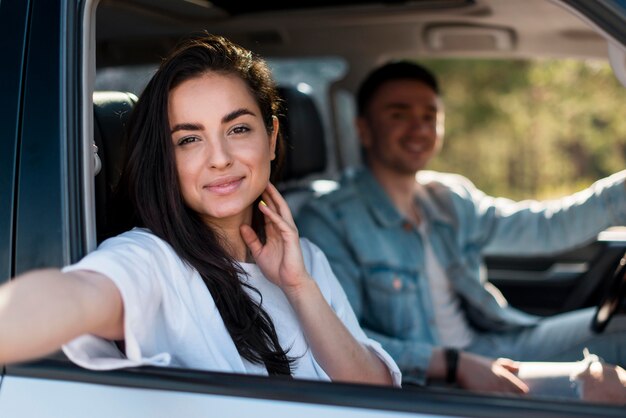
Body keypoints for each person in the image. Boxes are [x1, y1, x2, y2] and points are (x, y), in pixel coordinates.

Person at [0, 33, 401, 387]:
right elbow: (73, 296)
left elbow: (377, 394)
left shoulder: (304, 259)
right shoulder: (150, 261)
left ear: (272, 136)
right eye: (189, 139)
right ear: (164, 157)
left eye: (238, 129)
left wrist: (298, 287)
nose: (220, 158)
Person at [295, 60, 626, 400]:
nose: (419, 128)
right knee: (606, 385)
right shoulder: (329, 220)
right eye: (399, 115)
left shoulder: (448, 198)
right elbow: (345, 340)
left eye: (429, 117)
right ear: (363, 129)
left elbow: (544, 228)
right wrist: (453, 364)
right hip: (431, 379)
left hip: (489, 344)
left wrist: (618, 196)